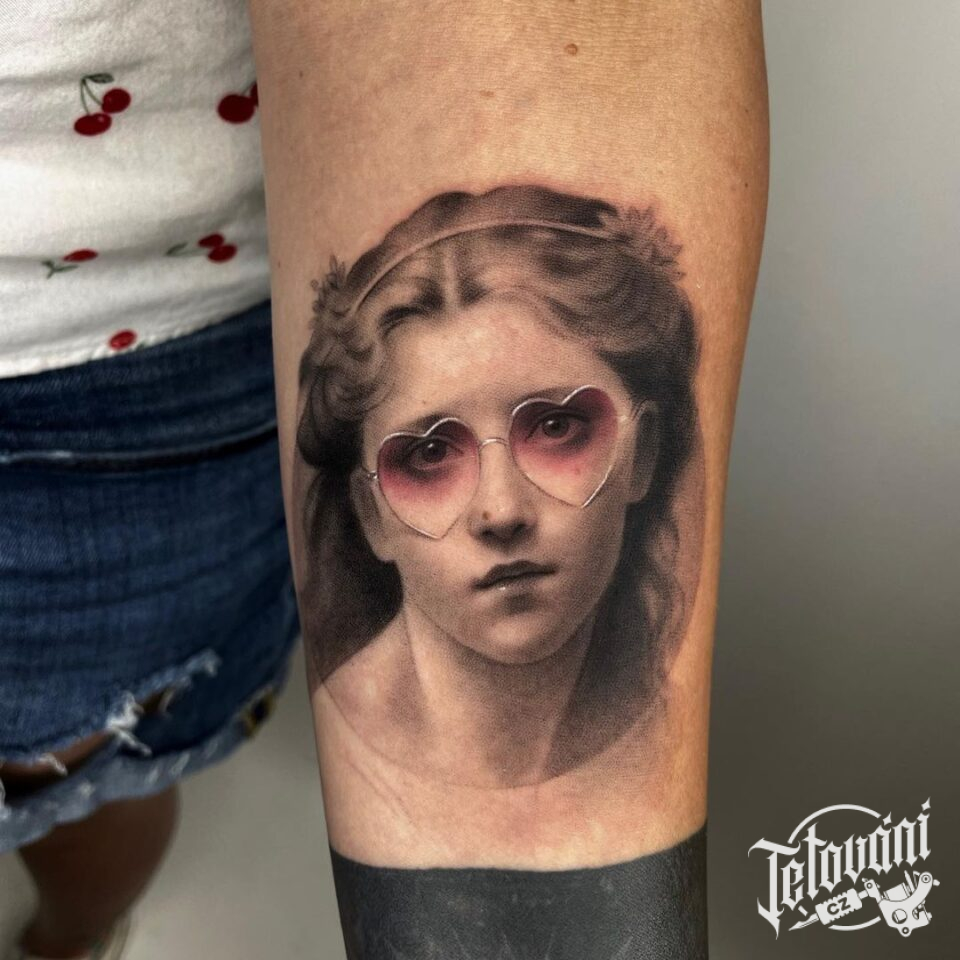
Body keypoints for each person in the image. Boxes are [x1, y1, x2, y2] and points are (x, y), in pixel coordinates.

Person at [0, 3, 298, 958]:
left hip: (121, 339)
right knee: (81, 784)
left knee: (78, 784)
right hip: (139, 338)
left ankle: (72, 942)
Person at [294, 186, 704, 788]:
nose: (502, 511)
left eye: (557, 427)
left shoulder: (657, 725)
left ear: (641, 456)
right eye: (430, 453)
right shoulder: (363, 742)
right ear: (372, 514)